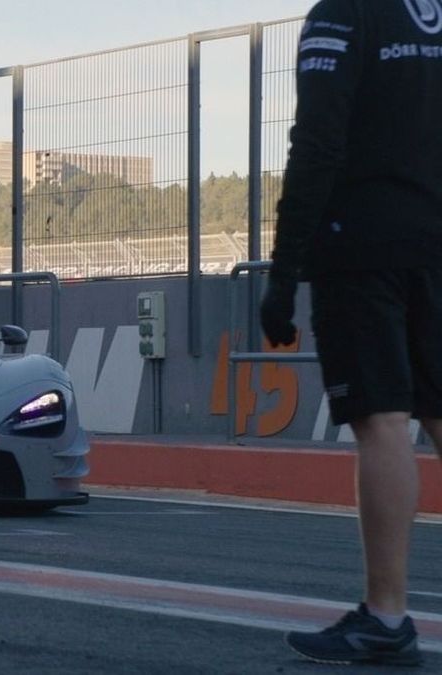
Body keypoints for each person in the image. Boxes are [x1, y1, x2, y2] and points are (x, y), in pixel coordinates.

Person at [261, 0, 441, 666]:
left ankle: (387, 617)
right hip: (436, 243)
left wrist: (284, 273)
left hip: (364, 246)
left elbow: (317, 141)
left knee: (383, 418)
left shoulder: (343, 13)